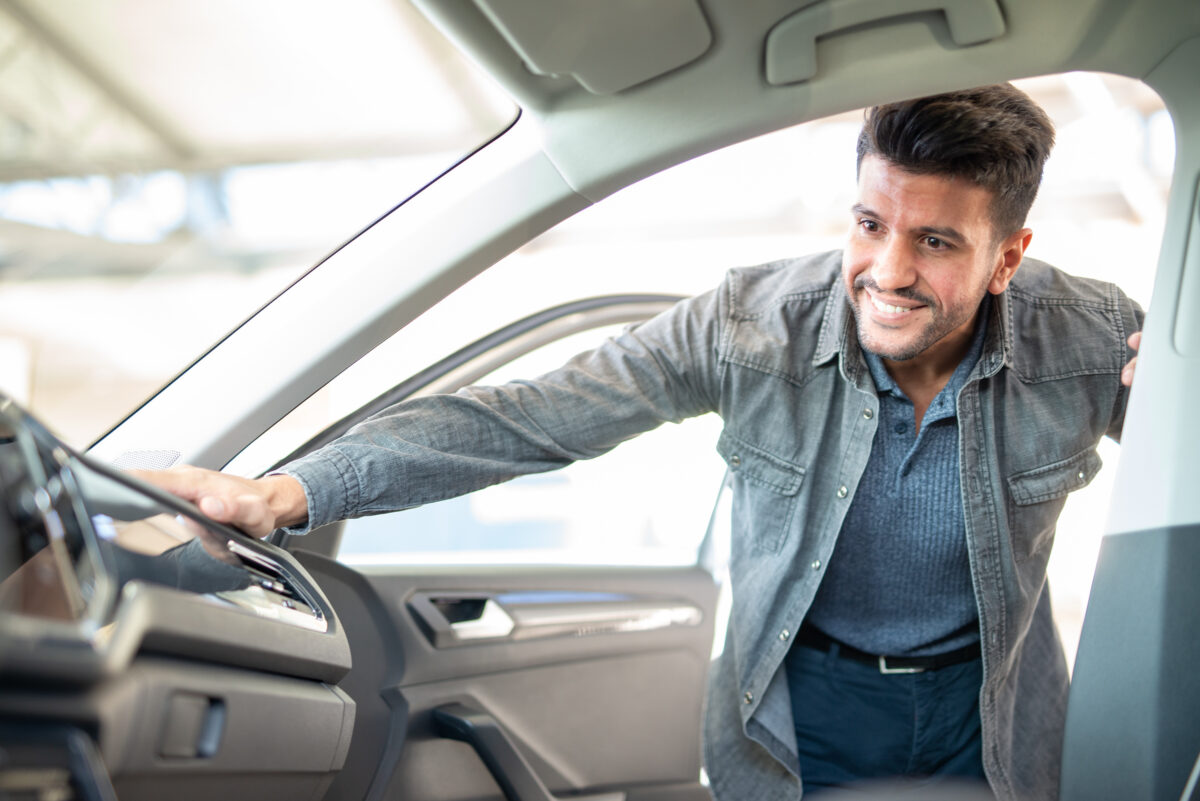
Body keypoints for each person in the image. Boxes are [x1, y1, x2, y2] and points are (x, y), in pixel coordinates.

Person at [137, 84, 1143, 801]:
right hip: (799, 713)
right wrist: (286, 492)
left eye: (935, 242)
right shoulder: (749, 326)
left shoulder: (1090, 338)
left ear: (1008, 256)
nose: (885, 270)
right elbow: (526, 418)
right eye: (870, 223)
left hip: (994, 711)